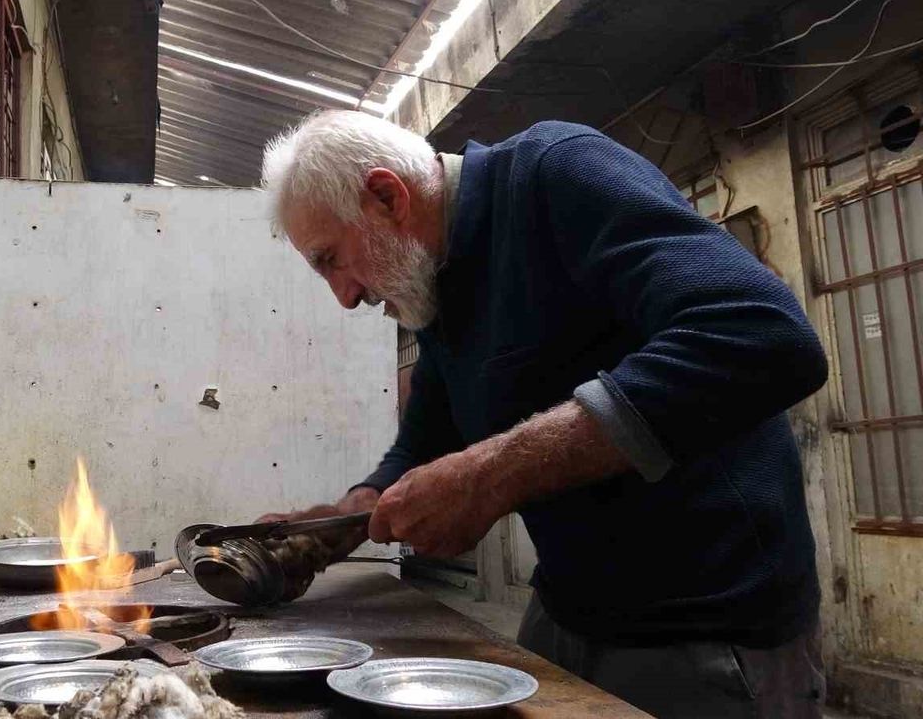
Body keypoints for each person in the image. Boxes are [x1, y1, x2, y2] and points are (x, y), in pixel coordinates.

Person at [255, 110, 828, 718]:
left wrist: (494, 472)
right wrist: (338, 523)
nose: (345, 296)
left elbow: (764, 334)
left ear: (385, 195)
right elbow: (421, 446)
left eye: (330, 259)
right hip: (566, 612)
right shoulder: (437, 286)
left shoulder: (554, 170)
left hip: (709, 627)